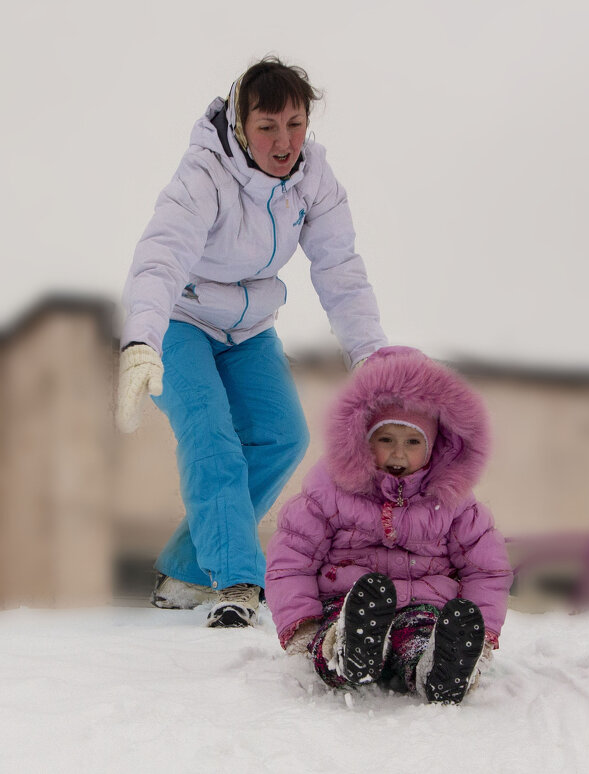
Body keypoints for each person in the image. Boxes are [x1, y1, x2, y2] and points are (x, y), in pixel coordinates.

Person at [114, 57, 387, 628]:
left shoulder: (314, 180)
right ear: (241, 126)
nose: (284, 140)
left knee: (283, 436)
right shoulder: (204, 174)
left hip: (248, 327)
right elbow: (160, 256)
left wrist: (371, 357)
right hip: (179, 321)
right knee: (211, 434)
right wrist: (140, 340)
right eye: (267, 126)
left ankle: (185, 570)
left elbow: (341, 268)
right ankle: (237, 581)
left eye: (295, 123)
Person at [265, 346, 513, 704]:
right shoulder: (328, 489)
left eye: (413, 442)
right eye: (386, 440)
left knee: (421, 636)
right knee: (337, 631)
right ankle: (346, 652)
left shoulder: (453, 499)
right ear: (362, 438)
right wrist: (302, 625)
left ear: (434, 446)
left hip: (425, 607)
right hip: (348, 604)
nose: (399, 454)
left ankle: (436, 669)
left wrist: (485, 633)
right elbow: (292, 558)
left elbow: (486, 568)